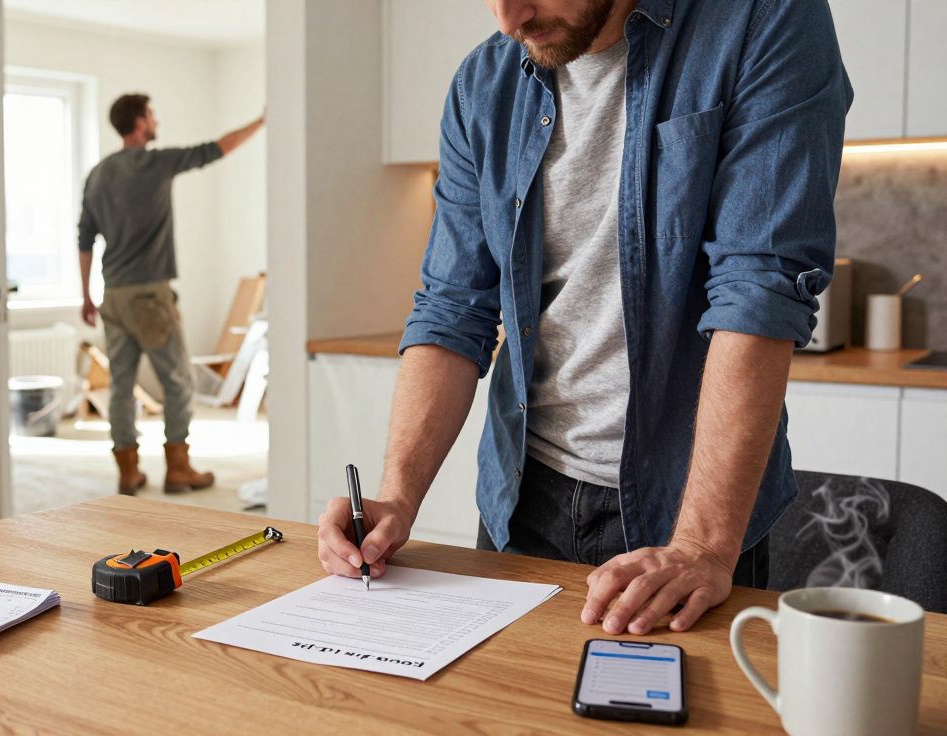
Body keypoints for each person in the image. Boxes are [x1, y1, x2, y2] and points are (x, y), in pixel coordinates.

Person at [317, 0, 851, 636]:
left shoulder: (763, 20)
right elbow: (452, 307)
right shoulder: (483, 82)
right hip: (521, 500)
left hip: (686, 516)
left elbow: (758, 290)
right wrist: (397, 497)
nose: (508, 19)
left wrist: (703, 548)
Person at [78, 94, 264, 496]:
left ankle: (128, 472)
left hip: (112, 296)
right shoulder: (153, 163)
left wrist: (86, 295)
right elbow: (215, 150)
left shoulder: (97, 174)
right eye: (152, 114)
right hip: (149, 297)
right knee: (177, 381)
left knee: (121, 386)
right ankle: (178, 470)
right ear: (140, 123)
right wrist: (261, 121)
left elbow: (84, 238)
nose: (156, 120)